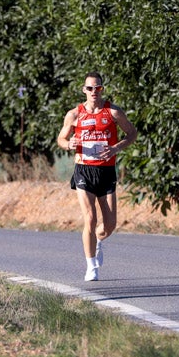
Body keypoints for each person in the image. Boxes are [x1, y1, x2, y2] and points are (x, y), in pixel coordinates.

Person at [56, 72, 138, 281]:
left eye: (98, 88)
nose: (94, 92)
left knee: (110, 225)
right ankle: (91, 266)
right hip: (84, 169)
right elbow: (61, 139)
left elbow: (132, 134)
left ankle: (97, 241)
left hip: (106, 170)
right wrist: (69, 144)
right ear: (84, 90)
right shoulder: (74, 114)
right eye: (90, 88)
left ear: (102, 89)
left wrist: (115, 148)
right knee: (90, 219)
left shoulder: (113, 112)